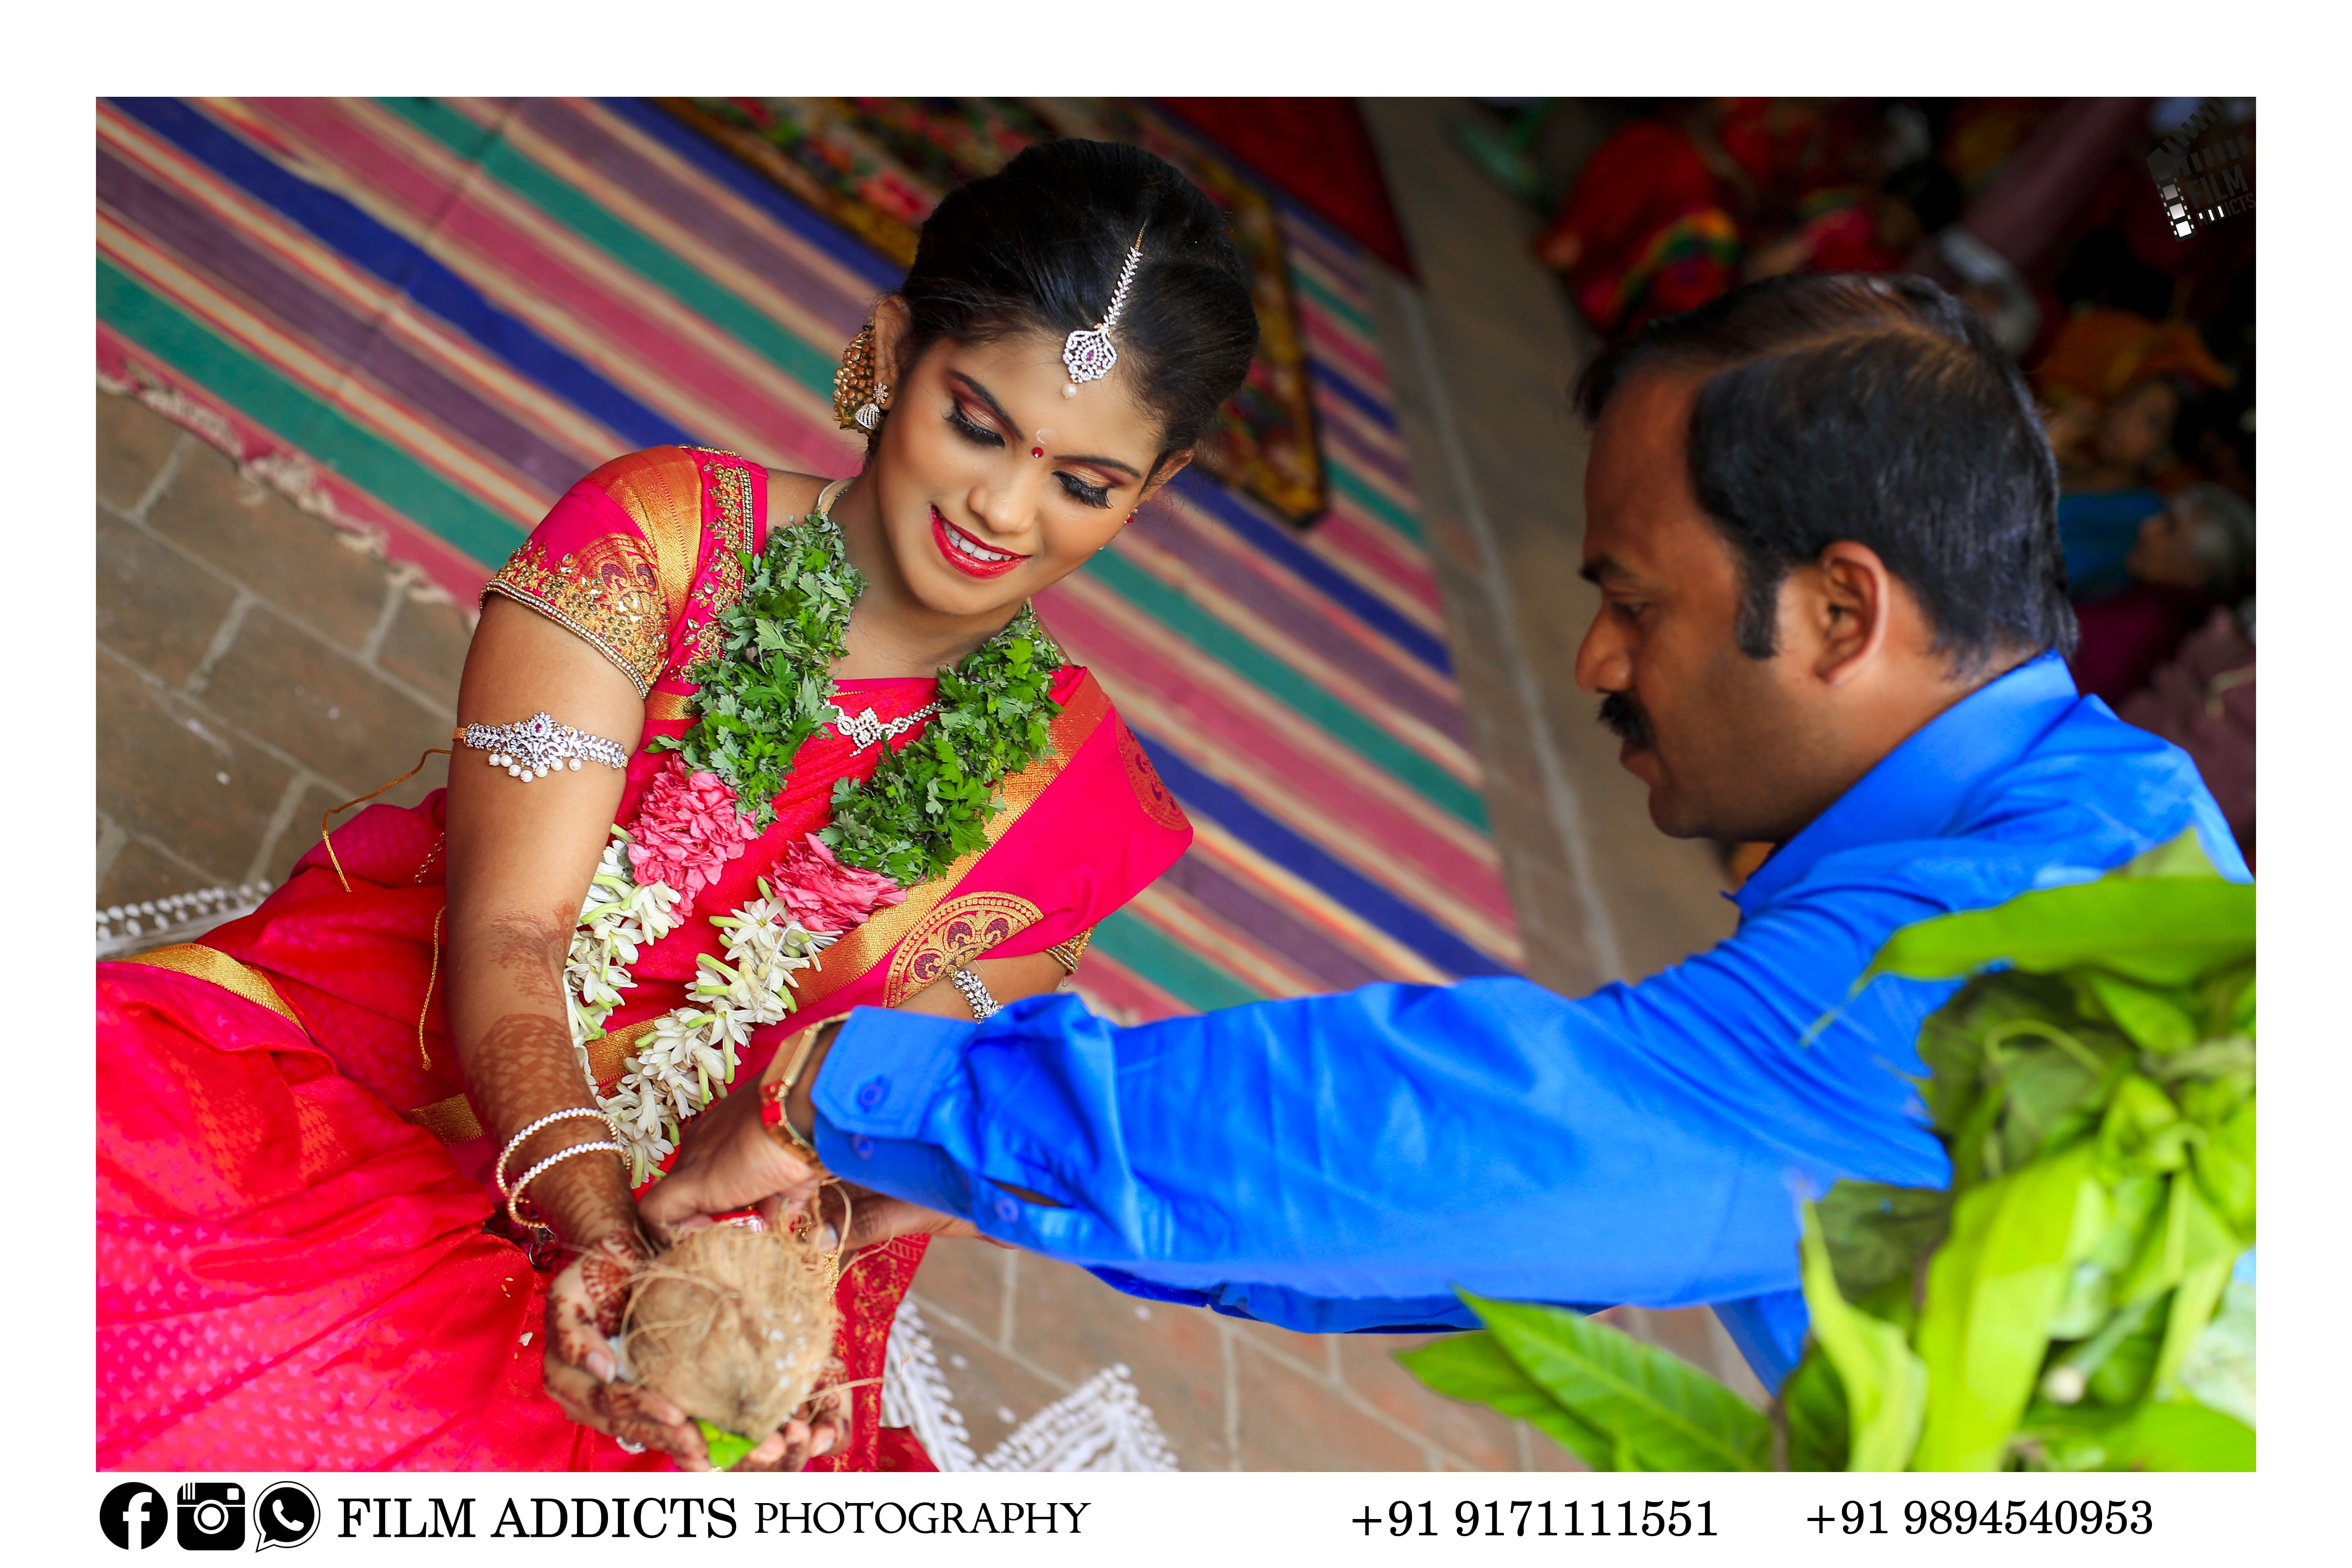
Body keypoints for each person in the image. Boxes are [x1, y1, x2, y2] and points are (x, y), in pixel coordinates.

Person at [644, 272, 2250, 1392]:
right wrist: (995, 1159)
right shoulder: (2107, 815)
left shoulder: (1996, 948)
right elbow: (1498, 1228)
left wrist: (840, 1082)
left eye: (1634, 602)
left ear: (1841, 610)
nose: (1597, 664)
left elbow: (1453, 1144)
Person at [94, 137, 1259, 1472]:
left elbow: (875, 1115)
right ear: (889, 350)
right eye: (978, 426)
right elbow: (511, 937)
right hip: (406, 1058)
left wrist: (752, 1308)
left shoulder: (1077, 793)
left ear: (1149, 494)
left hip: (716, 1228)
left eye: (1085, 485)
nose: (1004, 506)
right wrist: (591, 1234)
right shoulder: (655, 541)